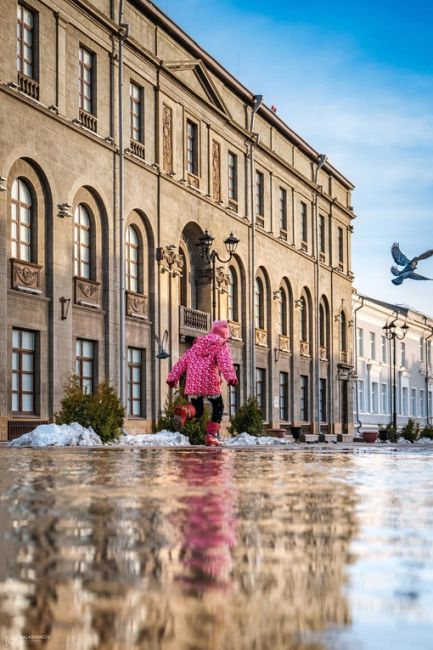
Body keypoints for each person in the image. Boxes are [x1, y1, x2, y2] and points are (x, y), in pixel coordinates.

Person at [166, 320, 238, 446]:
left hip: (193, 383)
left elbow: (181, 362)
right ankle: (211, 435)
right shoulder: (221, 344)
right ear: (225, 334)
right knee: (218, 406)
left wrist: (172, 378)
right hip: (210, 382)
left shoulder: (196, 345)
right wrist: (231, 377)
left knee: (197, 410)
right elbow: (225, 363)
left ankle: (184, 411)